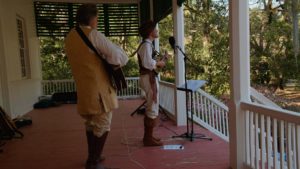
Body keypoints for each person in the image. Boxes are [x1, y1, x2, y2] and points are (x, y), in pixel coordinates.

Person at [64, 4, 128, 169]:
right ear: (91, 18)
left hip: (84, 90)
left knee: (90, 124)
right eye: (96, 18)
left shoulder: (70, 36)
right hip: (99, 90)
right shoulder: (93, 35)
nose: (97, 21)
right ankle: (93, 162)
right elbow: (118, 57)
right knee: (103, 123)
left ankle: (93, 157)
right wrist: (119, 54)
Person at [137, 20, 168, 146]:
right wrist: (159, 63)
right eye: (155, 28)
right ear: (150, 32)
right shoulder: (146, 46)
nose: (157, 30)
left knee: (152, 106)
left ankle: (149, 137)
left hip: (149, 77)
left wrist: (162, 61)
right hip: (148, 78)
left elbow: (150, 63)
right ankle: (148, 139)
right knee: (152, 106)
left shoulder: (147, 45)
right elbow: (148, 64)